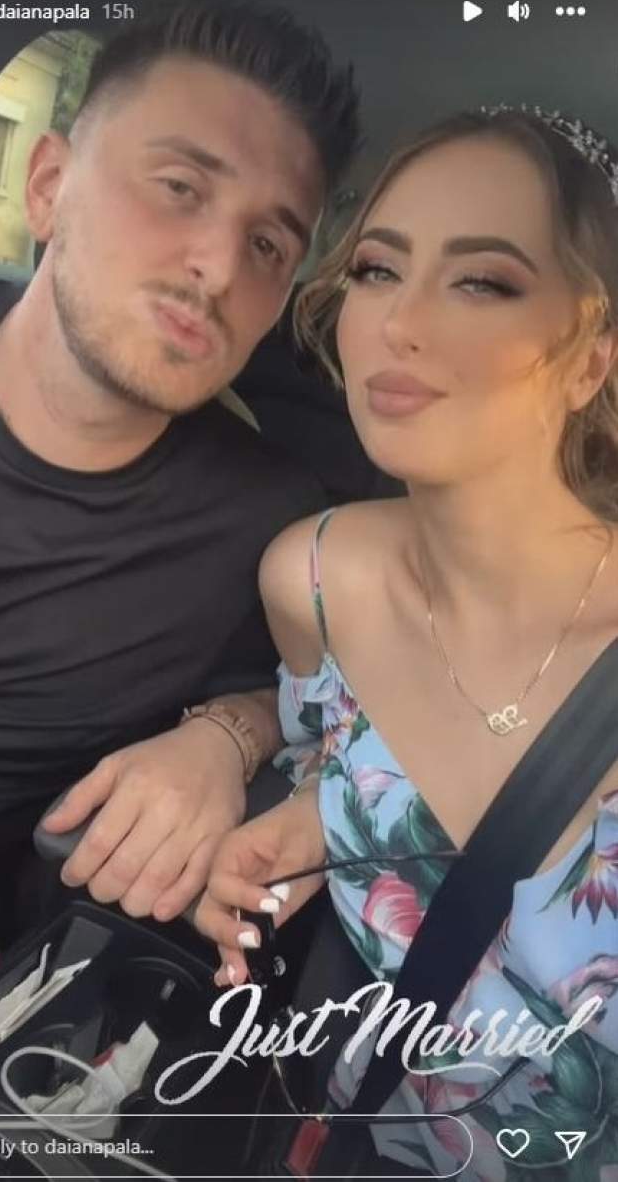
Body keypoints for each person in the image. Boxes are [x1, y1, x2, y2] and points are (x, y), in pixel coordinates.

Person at [196, 107, 618, 1178]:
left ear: (589, 359)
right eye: (377, 270)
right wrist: (310, 814)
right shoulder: (312, 578)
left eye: (482, 281)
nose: (398, 320)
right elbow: (334, 754)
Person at [0, 0, 360, 968]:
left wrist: (223, 740)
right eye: (178, 187)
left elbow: (310, 701)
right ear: (48, 186)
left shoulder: (268, 523)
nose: (217, 266)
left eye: (267, 246)